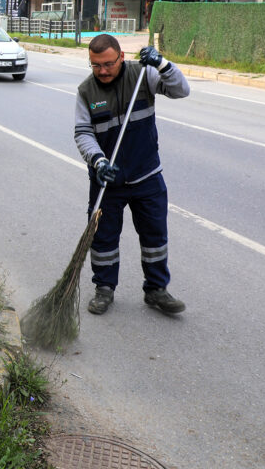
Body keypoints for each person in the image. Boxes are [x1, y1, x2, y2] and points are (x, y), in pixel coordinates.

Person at [74, 35, 190, 315]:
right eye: (95, 65)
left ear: (121, 57)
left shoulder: (143, 75)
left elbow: (181, 90)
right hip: (107, 179)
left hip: (146, 175)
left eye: (108, 64)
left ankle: (156, 290)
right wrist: (98, 161)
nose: (102, 71)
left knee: (154, 236)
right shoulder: (86, 91)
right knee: (103, 239)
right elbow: (83, 133)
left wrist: (162, 64)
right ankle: (104, 289)